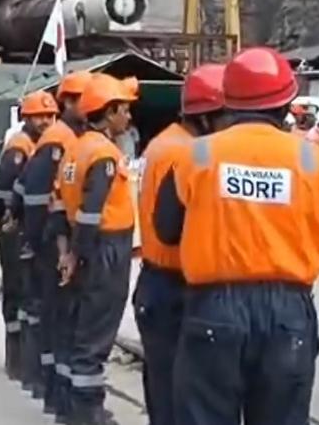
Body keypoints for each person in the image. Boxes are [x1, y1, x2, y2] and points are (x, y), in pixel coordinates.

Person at [156, 47, 319, 425]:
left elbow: (166, 230)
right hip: (289, 312)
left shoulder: (196, 156)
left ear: (227, 101)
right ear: (287, 101)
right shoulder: (314, 160)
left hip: (214, 308)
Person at [134, 63, 224, 425]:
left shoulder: (166, 142)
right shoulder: (184, 153)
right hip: (175, 285)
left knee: (162, 387)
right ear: (207, 116)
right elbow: (183, 225)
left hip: (158, 282)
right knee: (180, 396)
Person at [56, 73, 139, 425]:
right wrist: (79, 254)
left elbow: (62, 204)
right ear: (109, 110)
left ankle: (71, 409)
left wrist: (69, 252)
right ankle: (88, 414)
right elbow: (91, 212)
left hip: (88, 246)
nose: (129, 117)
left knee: (81, 330)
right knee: (96, 334)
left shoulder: (76, 147)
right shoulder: (104, 154)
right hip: (104, 250)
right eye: (124, 110)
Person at [15, 71, 91, 413]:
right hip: (51, 239)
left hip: (61, 237)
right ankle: (50, 391)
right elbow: (36, 196)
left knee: (58, 315)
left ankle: (52, 391)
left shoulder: (73, 137)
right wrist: (34, 240)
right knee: (54, 314)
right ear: (72, 102)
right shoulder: (59, 140)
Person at [0, 90, 58, 381]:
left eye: (49, 116)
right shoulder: (20, 147)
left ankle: (26, 357)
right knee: (17, 290)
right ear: (26, 118)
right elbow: (3, 187)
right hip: (14, 226)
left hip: (31, 226)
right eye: (38, 116)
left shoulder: (44, 144)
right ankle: (15, 356)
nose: (44, 121)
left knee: (30, 291)